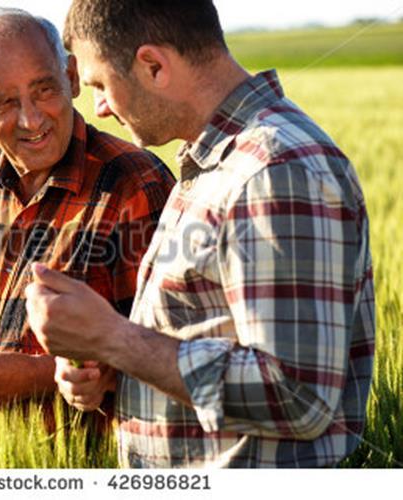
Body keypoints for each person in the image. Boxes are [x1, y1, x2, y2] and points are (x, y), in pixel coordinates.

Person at [26, 0, 375, 467]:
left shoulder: (274, 169)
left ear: (153, 65)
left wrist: (114, 338)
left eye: (100, 86)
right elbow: (211, 332)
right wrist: (119, 368)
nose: (100, 109)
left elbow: (297, 396)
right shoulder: (214, 161)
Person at [0, 8, 174, 415]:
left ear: (72, 78)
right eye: (5, 102)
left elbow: (170, 350)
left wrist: (35, 377)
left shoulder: (134, 184)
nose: (31, 119)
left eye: (44, 90)